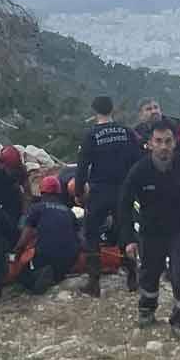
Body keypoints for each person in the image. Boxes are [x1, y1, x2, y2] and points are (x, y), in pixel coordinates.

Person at [119, 118, 180, 338]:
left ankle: (179, 321)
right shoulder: (139, 170)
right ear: (150, 143)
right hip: (150, 232)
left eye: (168, 141)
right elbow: (124, 205)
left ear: (175, 142)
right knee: (150, 274)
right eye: (158, 141)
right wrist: (128, 239)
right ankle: (146, 310)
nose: (163, 146)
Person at [76, 96, 142, 297]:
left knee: (92, 233)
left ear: (94, 111)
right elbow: (138, 159)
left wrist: (79, 192)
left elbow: (82, 167)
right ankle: (132, 276)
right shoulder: (126, 131)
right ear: (113, 109)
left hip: (99, 190)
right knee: (126, 230)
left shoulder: (91, 135)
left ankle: (94, 282)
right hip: (123, 189)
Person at [13, 176, 81, 295]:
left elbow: (24, 238)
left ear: (42, 192)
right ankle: (56, 276)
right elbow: (79, 238)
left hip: (46, 255)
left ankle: (37, 277)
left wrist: (15, 255)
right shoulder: (69, 211)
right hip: (70, 258)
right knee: (58, 267)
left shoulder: (36, 208)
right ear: (59, 192)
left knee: (22, 277)